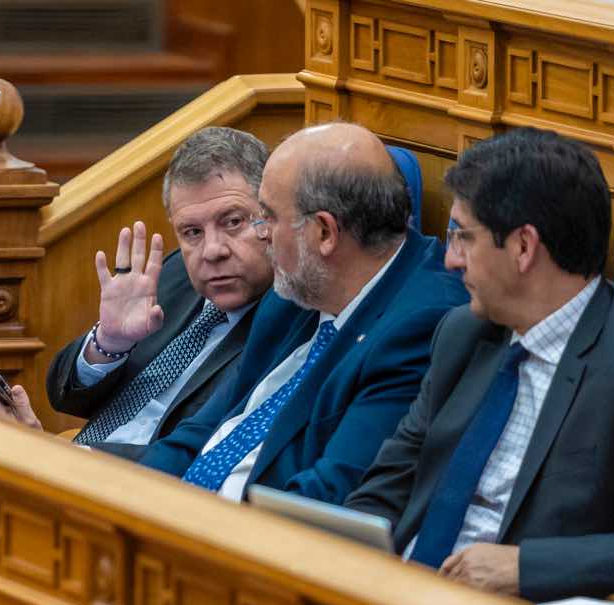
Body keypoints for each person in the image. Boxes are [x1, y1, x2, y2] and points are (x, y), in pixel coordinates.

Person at [345, 127, 614, 602]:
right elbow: (389, 481)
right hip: (400, 598)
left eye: (463, 237)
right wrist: (339, 553)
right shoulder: (462, 334)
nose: (451, 259)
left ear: (523, 246)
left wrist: (530, 567)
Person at [139, 122, 468, 504]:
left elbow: (328, 494)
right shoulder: (294, 292)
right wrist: (122, 496)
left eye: (269, 218)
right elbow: (198, 434)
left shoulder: (421, 328)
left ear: (324, 233)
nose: (261, 234)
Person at [0, 127, 293, 459]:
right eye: (192, 231)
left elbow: (193, 455)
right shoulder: (178, 272)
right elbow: (66, 397)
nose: (212, 250)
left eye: (233, 222)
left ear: (270, 217)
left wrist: (56, 456)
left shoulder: (289, 320)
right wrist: (109, 343)